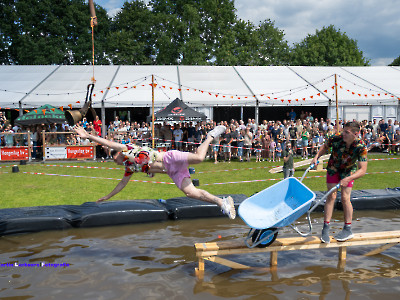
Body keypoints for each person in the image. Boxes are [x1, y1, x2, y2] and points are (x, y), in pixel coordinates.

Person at [73, 124, 236, 219]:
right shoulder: (130, 167)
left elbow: (108, 142)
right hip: (173, 172)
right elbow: (122, 184)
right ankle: (222, 203)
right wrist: (107, 197)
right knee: (190, 193)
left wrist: (88, 136)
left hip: (170, 158)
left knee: (199, 158)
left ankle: (210, 136)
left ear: (119, 154)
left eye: (113, 158)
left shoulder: (127, 150)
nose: (113, 161)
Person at [311, 121, 368, 243]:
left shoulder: (361, 147)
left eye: (347, 132)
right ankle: (325, 228)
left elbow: (363, 170)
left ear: (355, 133)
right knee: (331, 196)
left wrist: (348, 178)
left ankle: (348, 229)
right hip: (333, 168)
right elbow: (325, 147)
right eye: (343, 131)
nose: (343, 134)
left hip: (348, 171)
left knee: (345, 198)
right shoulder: (336, 138)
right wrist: (316, 157)